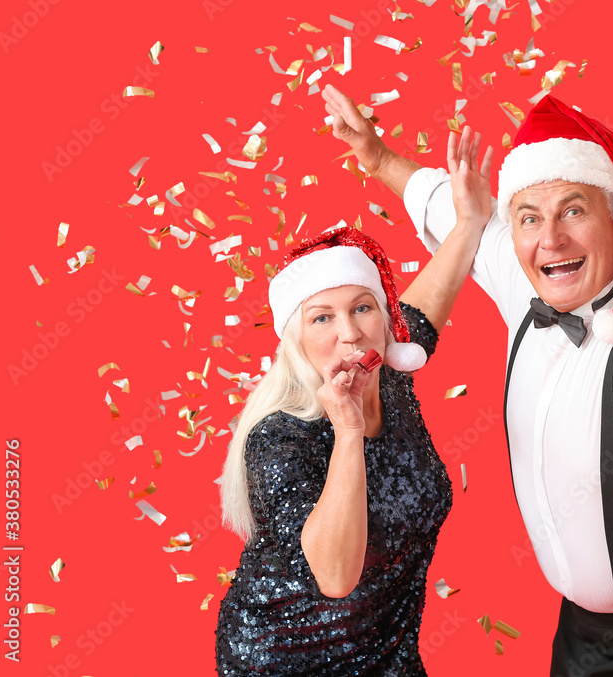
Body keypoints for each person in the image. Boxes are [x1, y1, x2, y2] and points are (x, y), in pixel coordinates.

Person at [323, 83, 613, 676]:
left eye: (574, 209)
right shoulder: (526, 286)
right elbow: (451, 205)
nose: (551, 238)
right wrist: (375, 155)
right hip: (582, 633)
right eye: (529, 218)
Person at [215, 127, 494, 676]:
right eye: (322, 317)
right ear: (296, 338)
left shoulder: (389, 370)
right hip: (283, 662)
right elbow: (336, 575)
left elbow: (429, 299)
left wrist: (469, 224)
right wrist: (346, 432)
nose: (351, 333)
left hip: (387, 656)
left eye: (363, 308)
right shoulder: (279, 437)